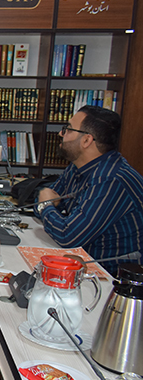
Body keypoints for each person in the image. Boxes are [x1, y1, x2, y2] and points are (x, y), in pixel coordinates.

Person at [35, 106, 143, 275]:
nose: (61, 134)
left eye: (68, 129)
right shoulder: (78, 166)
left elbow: (68, 235)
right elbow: (42, 199)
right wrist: (46, 205)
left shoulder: (111, 179)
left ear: (86, 140)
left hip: (113, 276)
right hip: (84, 262)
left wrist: (46, 206)